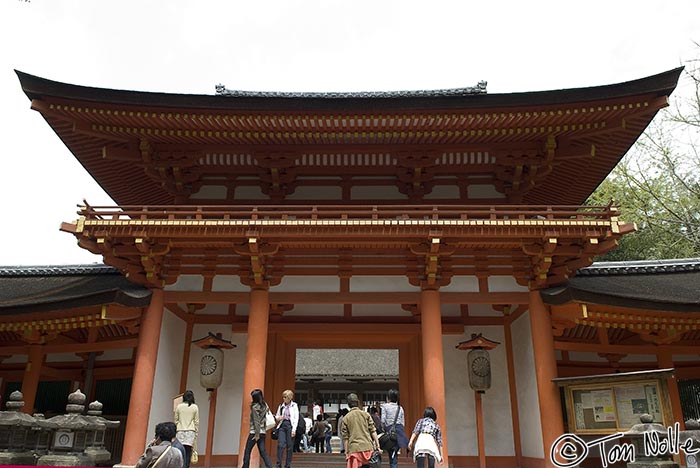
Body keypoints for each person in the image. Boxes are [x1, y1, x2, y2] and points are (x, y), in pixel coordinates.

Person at [340, 393, 380, 468]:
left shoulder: (345, 418)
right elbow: (373, 431)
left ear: (348, 404)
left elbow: (345, 438)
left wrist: (346, 452)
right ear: (358, 402)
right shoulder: (366, 415)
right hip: (367, 447)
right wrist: (377, 445)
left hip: (354, 449)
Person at [241, 389, 273, 468]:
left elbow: (256, 421)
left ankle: (245, 466)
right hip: (263, 432)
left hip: (254, 433)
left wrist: (257, 434)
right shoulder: (265, 405)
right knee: (263, 452)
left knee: (247, 451)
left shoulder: (255, 407)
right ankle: (269, 466)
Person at [381, 389, 409, 468]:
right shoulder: (400, 408)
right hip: (399, 432)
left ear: (388, 397)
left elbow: (383, 420)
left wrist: (384, 430)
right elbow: (403, 423)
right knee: (394, 454)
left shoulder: (384, 406)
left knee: (391, 454)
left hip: (389, 432)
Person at [175, 390, 199, 468]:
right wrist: (196, 433)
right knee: (188, 451)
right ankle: (186, 466)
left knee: (179, 450)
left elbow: (176, 420)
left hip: (180, 430)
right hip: (190, 431)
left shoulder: (179, 406)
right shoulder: (195, 407)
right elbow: (196, 421)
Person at [275, 389, 299, 468]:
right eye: (283, 397)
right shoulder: (281, 406)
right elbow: (277, 416)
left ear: (290, 398)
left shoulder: (294, 406)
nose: (284, 399)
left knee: (289, 446)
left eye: (285, 397)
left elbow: (296, 418)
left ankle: (287, 465)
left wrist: (294, 429)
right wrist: (279, 418)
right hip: (282, 425)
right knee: (281, 445)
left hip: (290, 425)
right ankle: (278, 464)